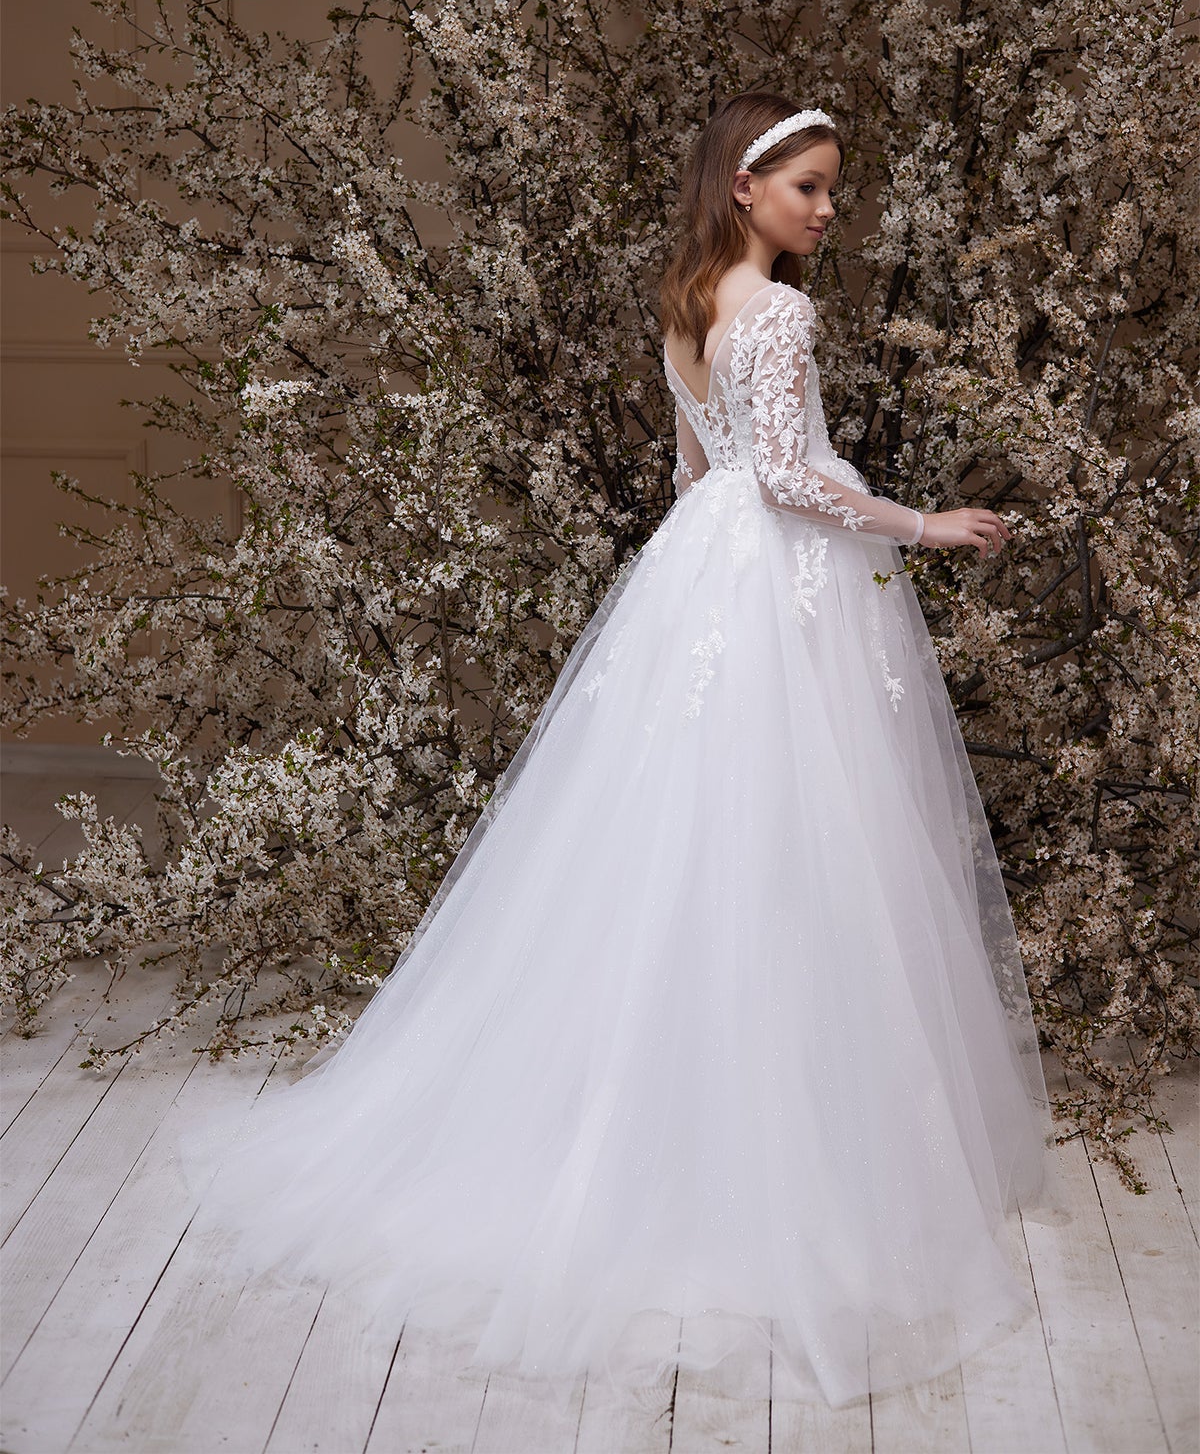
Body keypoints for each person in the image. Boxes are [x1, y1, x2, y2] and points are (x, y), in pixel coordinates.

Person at [175, 91, 1067, 1412]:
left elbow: (697, 476)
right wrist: (920, 524)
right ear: (745, 188)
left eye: (835, 188)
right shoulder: (780, 313)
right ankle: (770, 1156)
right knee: (784, 851)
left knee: (677, 847)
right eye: (809, 187)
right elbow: (786, 481)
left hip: (702, 575)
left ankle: (664, 1122)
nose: (829, 210)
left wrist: (712, 574)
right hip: (774, 579)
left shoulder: (688, 302)